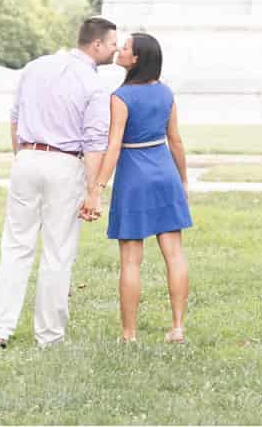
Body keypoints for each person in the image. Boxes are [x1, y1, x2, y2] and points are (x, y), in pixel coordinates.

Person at [0, 17, 118, 348]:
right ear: (96, 45)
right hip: (65, 163)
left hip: (26, 158)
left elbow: (14, 117)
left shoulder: (36, 66)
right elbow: (94, 141)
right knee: (58, 251)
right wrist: (93, 191)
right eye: (113, 44)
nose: (115, 50)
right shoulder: (95, 84)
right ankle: (49, 336)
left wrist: (21, 155)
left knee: (15, 245)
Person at [81, 32, 192, 343]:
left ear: (137, 59)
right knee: (175, 255)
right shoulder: (166, 93)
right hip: (165, 175)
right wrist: (183, 180)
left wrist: (97, 189)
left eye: (126, 47)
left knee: (131, 260)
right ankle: (178, 328)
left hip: (134, 180)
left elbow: (113, 146)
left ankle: (129, 334)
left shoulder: (121, 97)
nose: (120, 50)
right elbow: (176, 140)